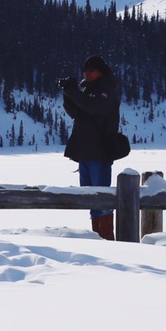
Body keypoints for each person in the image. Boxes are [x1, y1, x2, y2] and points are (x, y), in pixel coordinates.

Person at [59, 54, 123, 239]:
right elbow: (75, 112)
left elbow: (94, 108)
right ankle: (97, 240)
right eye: (84, 71)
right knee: (90, 199)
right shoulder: (86, 89)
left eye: (90, 70)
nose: (86, 74)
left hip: (100, 152)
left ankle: (106, 239)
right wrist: (68, 92)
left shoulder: (107, 90)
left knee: (101, 199)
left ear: (100, 71)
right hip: (85, 151)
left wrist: (73, 92)